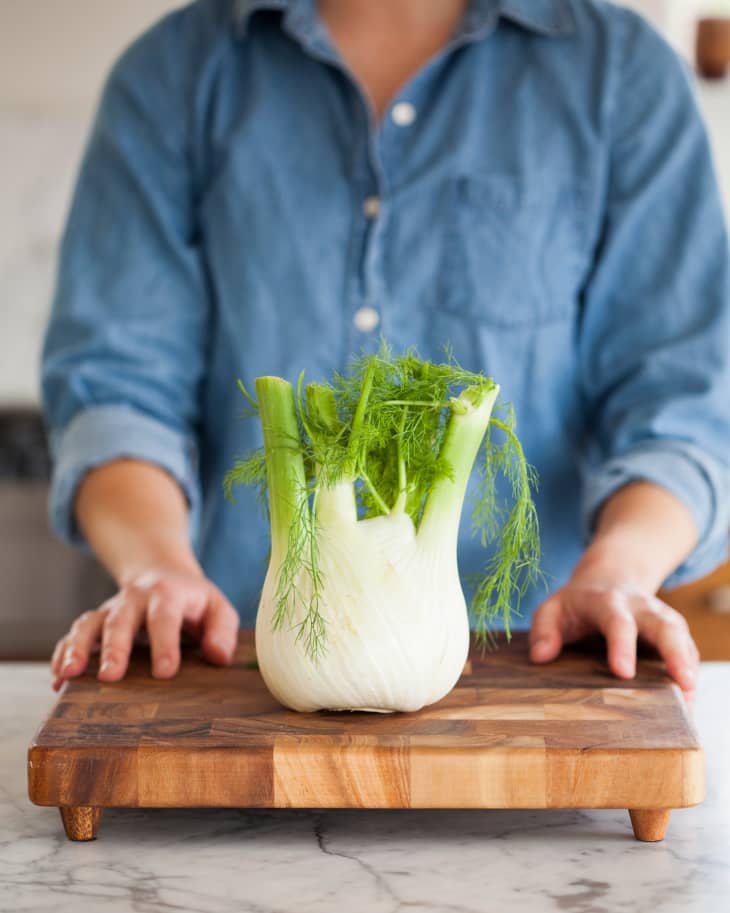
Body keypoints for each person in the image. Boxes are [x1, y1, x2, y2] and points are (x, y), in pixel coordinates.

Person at [43, 0, 730, 699]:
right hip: (224, 663)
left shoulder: (622, 74)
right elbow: (116, 389)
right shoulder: (173, 74)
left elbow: (686, 405)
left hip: (545, 664)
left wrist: (620, 569)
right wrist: (157, 566)